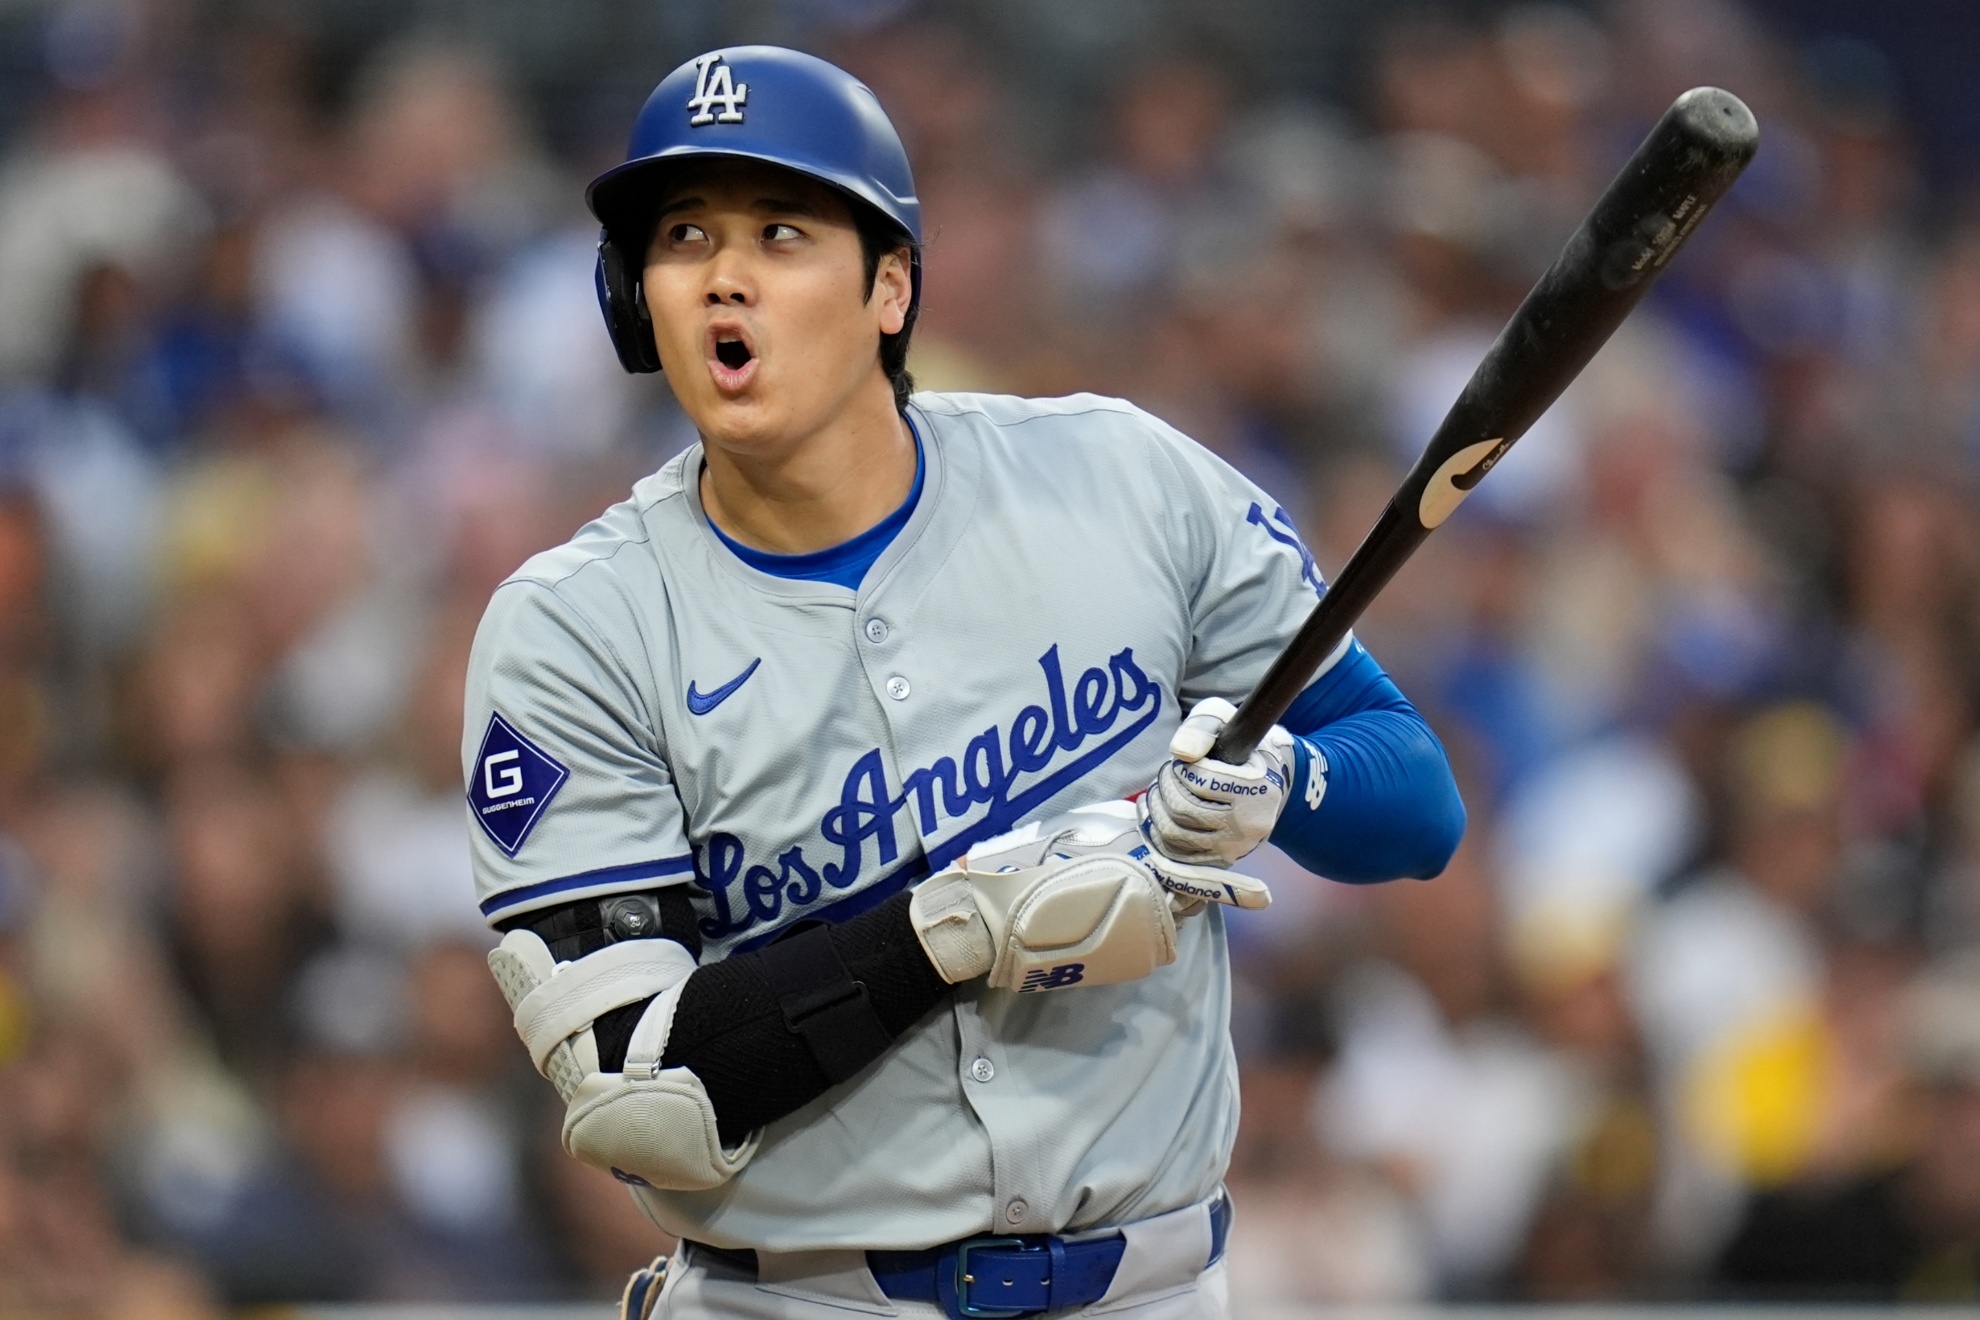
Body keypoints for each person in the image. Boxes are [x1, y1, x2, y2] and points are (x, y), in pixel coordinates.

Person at [462, 46, 1465, 1320]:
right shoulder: (576, 627)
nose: (724, 274)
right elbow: (639, 1096)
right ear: (633, 300)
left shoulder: (1123, 479)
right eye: (682, 237)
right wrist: (954, 932)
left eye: (781, 232)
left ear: (891, 288)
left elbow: (1421, 804)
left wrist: (1284, 780)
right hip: (800, 1301)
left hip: (1150, 1287)